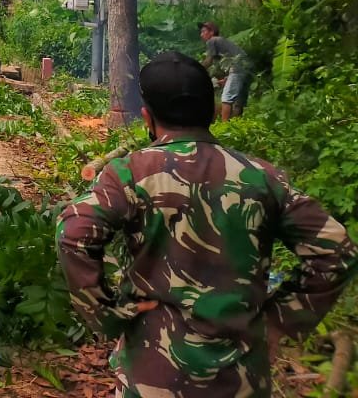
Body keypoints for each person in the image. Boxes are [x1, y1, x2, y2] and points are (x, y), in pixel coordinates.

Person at [58, 51, 357, 398]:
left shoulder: (130, 173)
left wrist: (106, 314)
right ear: (214, 111)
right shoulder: (262, 178)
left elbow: (73, 233)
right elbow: (336, 250)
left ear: (147, 117)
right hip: (241, 380)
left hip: (153, 375)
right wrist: (280, 321)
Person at [199, 21, 250, 120]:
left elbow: (209, 61)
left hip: (238, 67)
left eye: (203, 31)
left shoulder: (212, 40)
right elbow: (230, 60)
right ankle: (237, 124)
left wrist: (196, 68)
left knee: (226, 98)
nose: (201, 35)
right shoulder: (222, 41)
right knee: (239, 101)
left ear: (212, 32)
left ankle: (224, 127)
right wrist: (227, 78)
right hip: (247, 67)